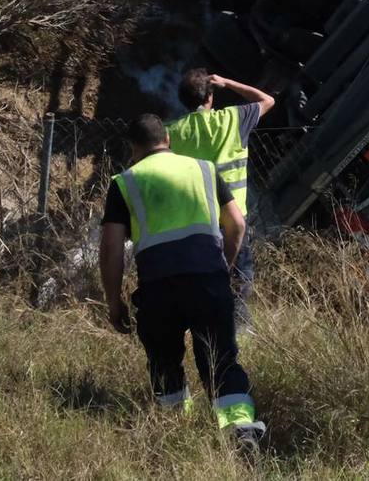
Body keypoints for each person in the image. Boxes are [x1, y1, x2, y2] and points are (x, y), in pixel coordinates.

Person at [99, 114, 265, 446]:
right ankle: (240, 429)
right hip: (208, 278)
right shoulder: (204, 169)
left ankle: (176, 430)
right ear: (168, 141)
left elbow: (111, 248)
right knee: (220, 356)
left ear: (134, 148)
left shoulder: (124, 182)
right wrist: (225, 267)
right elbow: (237, 224)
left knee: (164, 358)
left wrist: (114, 299)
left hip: (158, 287)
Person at [166, 70, 274, 325]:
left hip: (197, 217)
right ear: (211, 97)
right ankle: (238, 325)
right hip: (233, 216)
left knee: (199, 273)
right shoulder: (233, 119)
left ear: (183, 99)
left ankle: (201, 320)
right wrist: (228, 82)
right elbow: (268, 100)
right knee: (239, 273)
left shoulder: (173, 131)